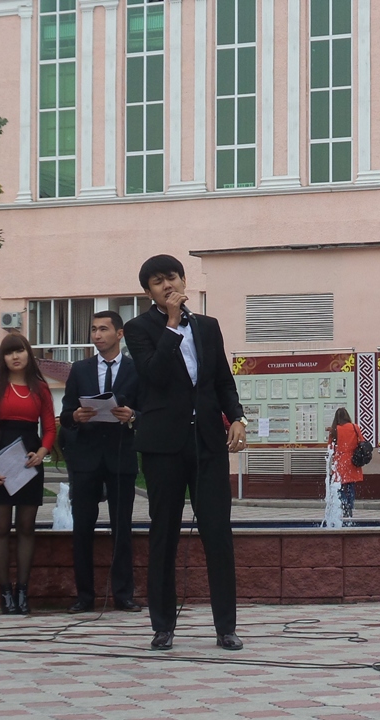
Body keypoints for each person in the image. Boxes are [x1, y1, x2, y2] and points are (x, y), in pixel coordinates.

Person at [123, 254, 248, 652]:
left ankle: (226, 627)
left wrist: (238, 417)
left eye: (172, 277)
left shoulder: (208, 327)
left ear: (183, 280)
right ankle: (163, 626)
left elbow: (222, 381)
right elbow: (154, 374)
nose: (168, 285)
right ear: (148, 292)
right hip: (163, 446)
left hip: (208, 443)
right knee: (164, 533)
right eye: (158, 281)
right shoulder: (138, 329)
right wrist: (172, 325)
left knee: (218, 533)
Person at [59, 310, 141, 614]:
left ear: (119, 334)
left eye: (103, 329)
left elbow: (147, 411)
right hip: (86, 459)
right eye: (93, 329)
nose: (97, 335)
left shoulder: (136, 369)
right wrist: (75, 416)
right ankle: (84, 596)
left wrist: (132, 415)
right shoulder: (80, 369)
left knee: (122, 528)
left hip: (121, 456)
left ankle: (123, 595)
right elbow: (66, 414)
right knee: (82, 528)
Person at [0, 333, 57, 615]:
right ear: (3, 358)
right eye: (9, 352)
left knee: (26, 527)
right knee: (0, 528)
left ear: (28, 354)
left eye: (20, 351)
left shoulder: (40, 388)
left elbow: (50, 428)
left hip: (29, 461)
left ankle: (23, 592)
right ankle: (5, 593)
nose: (15, 356)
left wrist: (42, 452)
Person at [327, 408, 364, 519]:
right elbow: (362, 441)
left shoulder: (335, 430)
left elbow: (330, 447)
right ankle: (350, 507)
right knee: (351, 486)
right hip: (353, 461)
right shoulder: (355, 427)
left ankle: (343, 506)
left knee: (340, 487)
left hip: (339, 462)